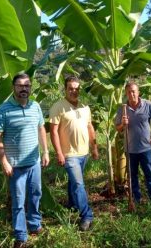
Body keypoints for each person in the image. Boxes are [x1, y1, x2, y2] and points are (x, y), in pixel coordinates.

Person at [0, 73, 50, 248]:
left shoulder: (35, 106)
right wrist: (4, 161)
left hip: (34, 161)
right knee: (18, 201)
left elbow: (41, 128)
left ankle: (34, 224)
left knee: (35, 195)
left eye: (27, 85)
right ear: (13, 88)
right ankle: (20, 236)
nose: (24, 88)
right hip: (15, 165)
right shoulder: (3, 109)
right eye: (20, 85)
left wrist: (46, 151)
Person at [49, 76, 99, 231]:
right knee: (78, 184)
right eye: (70, 88)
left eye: (77, 89)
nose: (74, 91)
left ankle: (72, 204)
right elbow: (54, 132)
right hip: (69, 154)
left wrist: (94, 147)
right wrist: (59, 153)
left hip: (84, 152)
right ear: (65, 89)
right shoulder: (58, 107)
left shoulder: (85, 107)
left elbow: (90, 127)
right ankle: (87, 216)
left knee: (74, 182)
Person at [115, 81, 151, 204]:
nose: (132, 94)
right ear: (126, 94)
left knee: (149, 175)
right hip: (130, 150)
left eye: (134, 91)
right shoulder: (123, 109)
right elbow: (117, 128)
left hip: (145, 148)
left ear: (138, 92)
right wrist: (122, 124)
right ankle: (136, 199)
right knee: (132, 176)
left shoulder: (148, 105)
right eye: (129, 92)